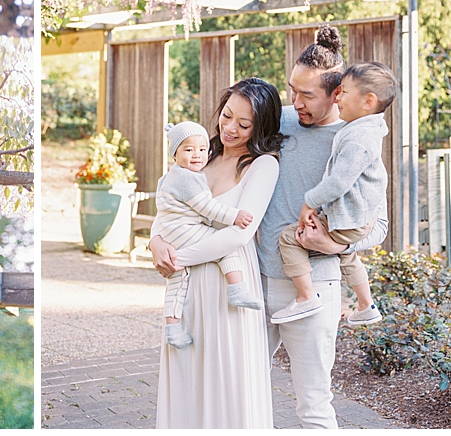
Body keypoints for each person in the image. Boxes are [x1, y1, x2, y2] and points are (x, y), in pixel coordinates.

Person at [151, 24, 389, 429]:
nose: (293, 102)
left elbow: (378, 225)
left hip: (314, 288)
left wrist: (334, 245)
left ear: (337, 94)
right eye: (291, 90)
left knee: (313, 405)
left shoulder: (354, 144)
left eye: (305, 95)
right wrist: (160, 236)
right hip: (255, 284)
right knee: (240, 393)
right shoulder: (278, 124)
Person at [150, 78, 285, 429]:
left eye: (243, 124)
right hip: (189, 286)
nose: (229, 128)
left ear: (261, 126)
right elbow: (167, 208)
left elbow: (240, 234)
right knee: (186, 375)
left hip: (229, 286)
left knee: (229, 379)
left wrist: (178, 257)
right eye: (226, 116)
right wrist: (156, 243)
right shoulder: (196, 155)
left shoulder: (263, 165)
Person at [273, 61, 397, 326]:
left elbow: (338, 182)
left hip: (353, 221)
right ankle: (366, 304)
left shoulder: (358, 139)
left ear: (368, 101)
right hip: (357, 221)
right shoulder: (365, 129)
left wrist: (310, 202)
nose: (338, 97)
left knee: (290, 238)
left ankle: (306, 295)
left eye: (344, 92)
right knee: (348, 256)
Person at [156, 121, 263, 350]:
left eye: (202, 149)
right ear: (174, 154)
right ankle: (237, 289)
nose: (197, 155)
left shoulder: (173, 175)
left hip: (171, 232)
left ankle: (172, 328)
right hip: (183, 229)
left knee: (176, 279)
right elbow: (207, 207)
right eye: (188, 149)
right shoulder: (186, 178)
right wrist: (234, 216)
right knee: (225, 246)